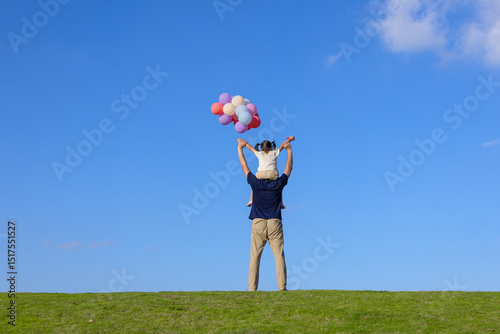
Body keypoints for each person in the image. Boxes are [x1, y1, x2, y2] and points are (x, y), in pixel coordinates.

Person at [237, 138, 293, 291]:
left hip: (258, 222)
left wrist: (240, 149)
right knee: (279, 256)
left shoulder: (255, 183)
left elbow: (244, 166)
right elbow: (288, 169)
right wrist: (289, 150)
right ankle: (282, 288)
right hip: (274, 222)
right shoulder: (277, 184)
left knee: (254, 258)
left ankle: (251, 289)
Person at [243, 140, 286, 209]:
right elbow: (282, 146)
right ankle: (281, 202)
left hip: (261, 174)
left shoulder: (260, 153)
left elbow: (251, 148)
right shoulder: (274, 152)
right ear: (271, 147)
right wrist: (289, 140)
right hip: (272, 174)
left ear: (261, 148)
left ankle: (251, 200)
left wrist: (245, 143)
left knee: (254, 185)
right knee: (279, 187)